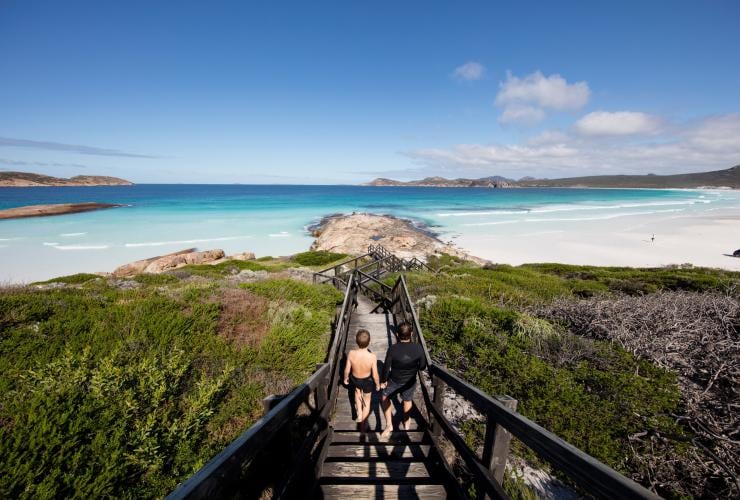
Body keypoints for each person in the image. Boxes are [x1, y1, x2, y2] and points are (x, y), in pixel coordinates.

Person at [380, 322, 427, 439]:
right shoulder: (418, 348)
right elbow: (422, 366)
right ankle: (406, 424)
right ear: (411, 334)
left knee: (384, 397)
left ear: (396, 334)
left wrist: (383, 381)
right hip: (410, 381)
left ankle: (389, 425)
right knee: (407, 400)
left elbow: (386, 367)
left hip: (394, 380)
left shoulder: (392, 349)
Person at [343, 329, 380, 435]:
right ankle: (363, 426)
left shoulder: (351, 353)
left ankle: (359, 414)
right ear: (369, 342)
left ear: (356, 341)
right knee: (367, 401)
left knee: (357, 392)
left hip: (355, 379)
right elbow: (375, 375)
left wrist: (345, 378)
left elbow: (347, 369)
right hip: (367, 381)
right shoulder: (372, 356)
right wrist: (377, 384)